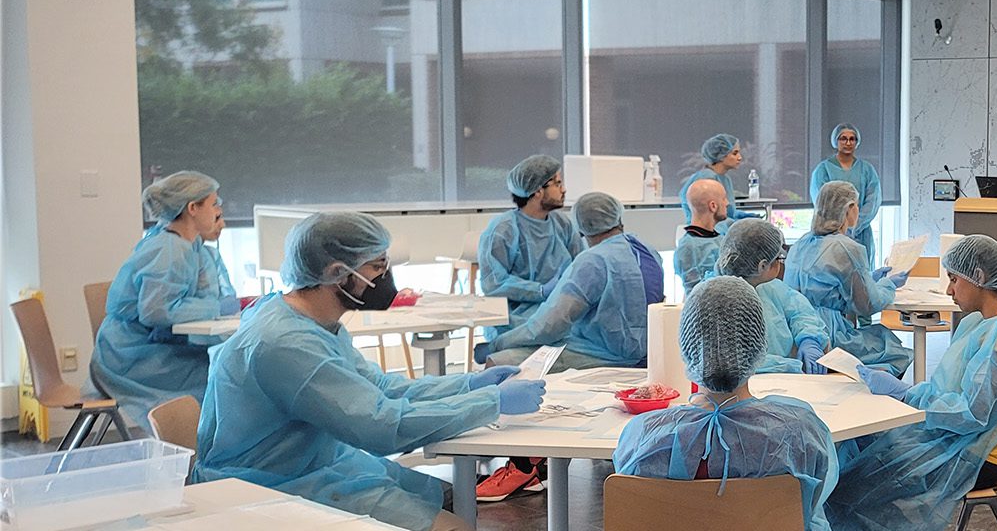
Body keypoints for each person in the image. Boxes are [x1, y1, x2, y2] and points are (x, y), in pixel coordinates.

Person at [195, 212, 546, 531]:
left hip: (315, 464)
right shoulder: (286, 344)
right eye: (377, 266)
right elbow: (379, 426)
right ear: (336, 273)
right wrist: (489, 403)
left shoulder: (313, 320)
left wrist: (468, 384)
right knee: (455, 526)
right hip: (269, 483)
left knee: (448, 496)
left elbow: (378, 387)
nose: (386, 276)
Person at [826, 235, 997, 529]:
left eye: (954, 280)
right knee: (857, 453)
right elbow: (948, 390)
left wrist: (907, 395)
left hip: (980, 452)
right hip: (951, 434)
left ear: (978, 277)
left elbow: (974, 414)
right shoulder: (976, 322)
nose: (948, 290)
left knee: (855, 487)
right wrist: (911, 392)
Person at [614, 277, 839, 531]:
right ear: (759, 344)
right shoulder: (800, 433)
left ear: (687, 347)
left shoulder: (643, 435)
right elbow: (809, 508)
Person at [90, 171, 239, 431]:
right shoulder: (167, 249)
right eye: (214, 203)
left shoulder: (187, 246)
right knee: (219, 375)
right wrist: (215, 308)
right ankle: (195, 453)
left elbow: (197, 296)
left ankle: (203, 452)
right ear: (193, 208)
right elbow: (155, 312)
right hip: (129, 357)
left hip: (148, 348)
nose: (218, 211)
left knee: (225, 366)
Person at [486, 193, 663, 370]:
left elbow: (549, 326)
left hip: (604, 356)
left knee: (498, 362)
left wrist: (500, 342)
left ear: (580, 229)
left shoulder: (593, 261)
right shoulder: (649, 251)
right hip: (650, 353)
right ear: (618, 217)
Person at [785, 181, 912, 377]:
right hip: (829, 334)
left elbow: (827, 285)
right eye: (857, 205)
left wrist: (869, 278)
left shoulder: (801, 243)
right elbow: (867, 304)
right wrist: (888, 284)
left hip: (795, 334)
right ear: (849, 208)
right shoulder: (847, 248)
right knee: (892, 348)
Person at [478, 155, 584, 348]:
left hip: (558, 313)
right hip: (515, 320)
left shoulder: (562, 225)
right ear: (537, 191)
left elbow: (581, 266)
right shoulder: (503, 230)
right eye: (557, 184)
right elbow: (493, 283)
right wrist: (540, 291)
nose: (564, 189)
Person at [715, 219, 831, 375]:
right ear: (762, 266)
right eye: (778, 259)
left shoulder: (769, 287)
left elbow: (800, 312)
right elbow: (735, 362)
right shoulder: (716, 299)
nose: (781, 264)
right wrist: (792, 366)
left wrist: (809, 340)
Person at [809, 124, 883, 265]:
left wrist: (855, 225)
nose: (848, 142)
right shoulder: (823, 170)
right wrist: (839, 227)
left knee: (863, 277)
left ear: (857, 142)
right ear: (835, 141)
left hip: (861, 233)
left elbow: (873, 201)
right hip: (830, 234)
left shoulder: (866, 170)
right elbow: (822, 201)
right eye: (843, 138)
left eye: (852, 139)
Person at [680, 133, 762, 226]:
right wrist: (735, 225)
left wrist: (744, 217)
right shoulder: (707, 179)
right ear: (721, 155)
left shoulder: (725, 179)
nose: (740, 157)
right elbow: (709, 218)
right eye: (735, 153)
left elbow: (728, 212)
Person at [674, 178, 729, 295]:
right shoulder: (688, 248)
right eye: (724, 199)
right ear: (713, 206)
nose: (727, 203)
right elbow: (696, 295)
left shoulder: (719, 239)